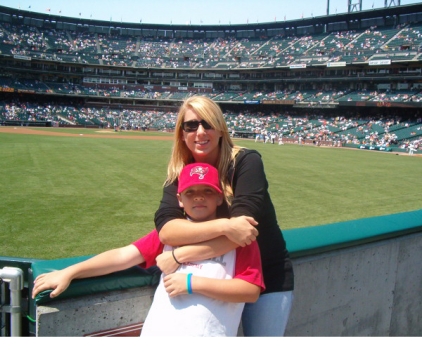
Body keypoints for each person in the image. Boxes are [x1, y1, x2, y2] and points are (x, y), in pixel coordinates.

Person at [32, 162, 264, 337]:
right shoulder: (171, 234)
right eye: (190, 192)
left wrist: (192, 284)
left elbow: (250, 290)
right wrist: (70, 272)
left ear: (219, 198)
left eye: (207, 191)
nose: (199, 197)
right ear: (179, 199)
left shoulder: (238, 237)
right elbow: (122, 256)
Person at [154, 95, 294, 337]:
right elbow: (167, 229)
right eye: (191, 126)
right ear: (181, 133)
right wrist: (225, 226)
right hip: (213, 277)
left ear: (220, 129)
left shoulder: (245, 162)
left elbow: (244, 233)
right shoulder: (179, 173)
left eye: (207, 123)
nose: (200, 132)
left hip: (266, 276)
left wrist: (180, 254)